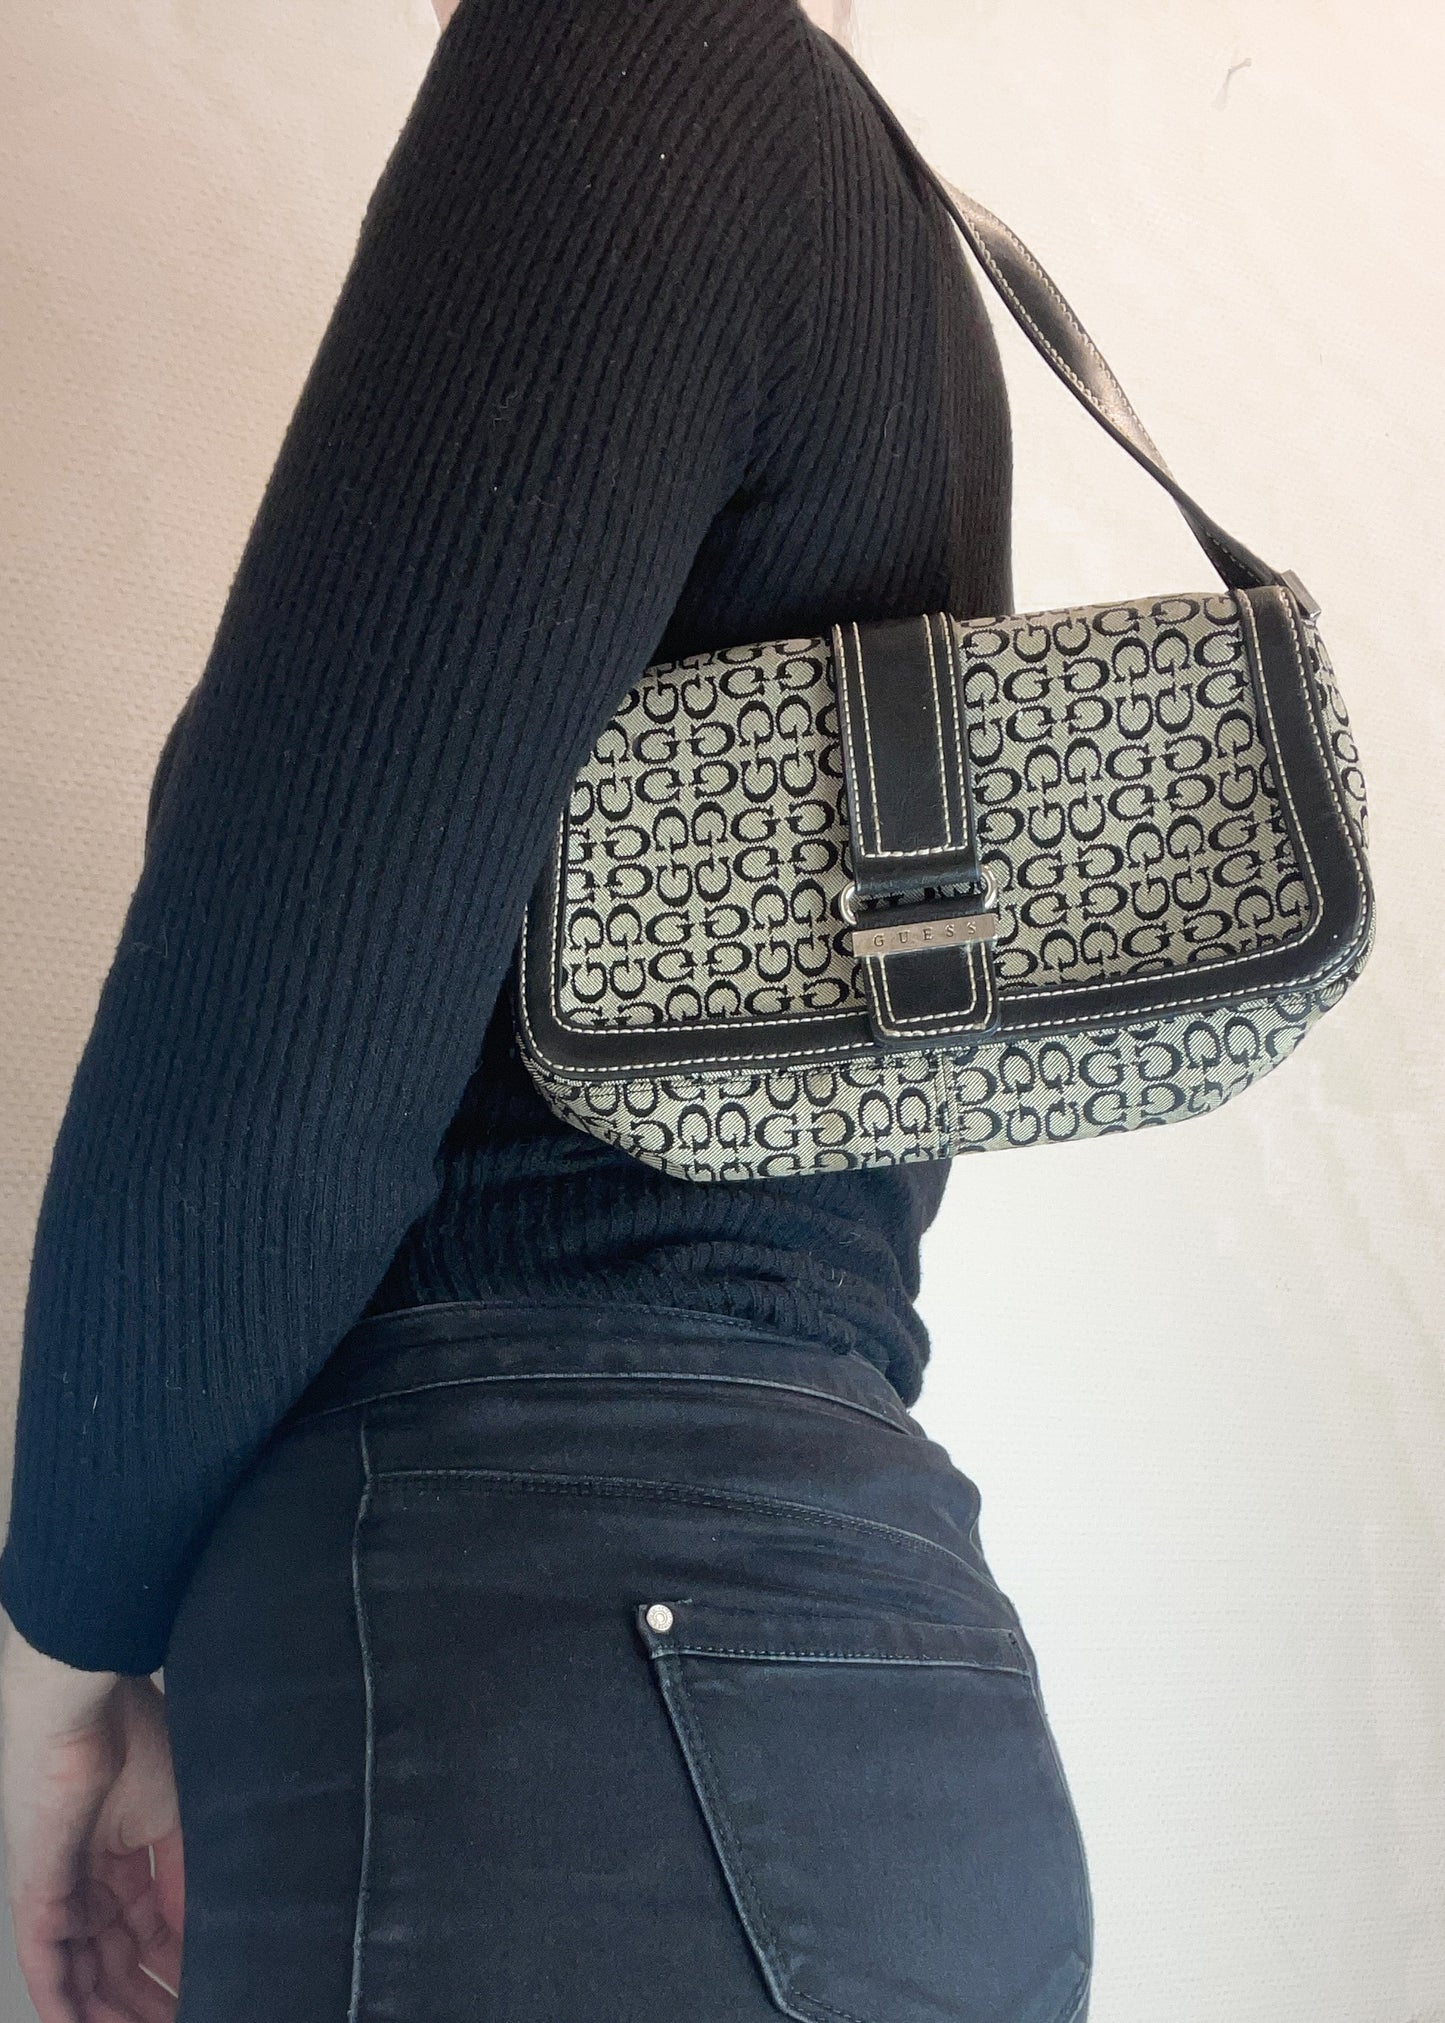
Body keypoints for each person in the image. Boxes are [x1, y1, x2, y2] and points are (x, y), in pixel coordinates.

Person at [0, 2, 1093, 2017]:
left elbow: (278, 1049)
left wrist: (87, 1632)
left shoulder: (629, 57)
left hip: (547, 1638)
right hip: (898, 1703)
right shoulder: (886, 235)